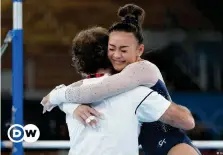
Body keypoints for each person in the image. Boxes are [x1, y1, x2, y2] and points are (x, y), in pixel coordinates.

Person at [42, 4, 200, 155]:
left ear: (139, 50)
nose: (116, 55)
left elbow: (95, 91)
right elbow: (84, 87)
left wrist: (58, 97)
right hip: (150, 145)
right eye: (111, 49)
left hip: (174, 145)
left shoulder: (140, 69)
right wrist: (69, 103)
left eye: (124, 50)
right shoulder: (120, 77)